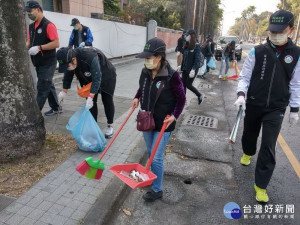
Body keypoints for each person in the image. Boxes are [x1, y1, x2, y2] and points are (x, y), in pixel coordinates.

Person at [234, 9, 300, 203]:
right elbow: (245, 77)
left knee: (269, 145)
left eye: (281, 31)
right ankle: (247, 151)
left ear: (291, 29)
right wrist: (241, 95)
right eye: (273, 31)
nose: (276, 35)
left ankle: (261, 186)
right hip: (254, 103)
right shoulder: (258, 51)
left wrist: (294, 109)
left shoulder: (296, 54)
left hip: (276, 108)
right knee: (249, 136)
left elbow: (296, 83)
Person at [132, 38, 186, 202]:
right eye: (146, 57)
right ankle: (151, 176)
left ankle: (157, 189)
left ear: (160, 57)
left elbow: (182, 99)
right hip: (147, 120)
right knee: (150, 153)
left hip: (164, 123)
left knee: (156, 156)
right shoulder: (145, 72)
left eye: (150, 57)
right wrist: (137, 97)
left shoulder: (172, 76)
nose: (147, 60)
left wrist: (174, 116)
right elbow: (143, 87)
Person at [56, 47, 117, 138]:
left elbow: (97, 78)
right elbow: (68, 75)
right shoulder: (70, 61)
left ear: (73, 59)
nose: (68, 68)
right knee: (91, 104)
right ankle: (93, 126)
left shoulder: (89, 57)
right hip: (87, 78)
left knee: (107, 99)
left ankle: (110, 125)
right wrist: (64, 91)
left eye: (68, 66)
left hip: (106, 75)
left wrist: (91, 95)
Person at [24, 1, 60, 116]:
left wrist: (39, 48)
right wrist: (25, 47)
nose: (29, 14)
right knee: (48, 84)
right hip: (38, 62)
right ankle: (56, 107)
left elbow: (56, 43)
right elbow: (29, 41)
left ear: (38, 9)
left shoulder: (48, 25)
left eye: (30, 11)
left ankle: (34, 115)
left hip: (48, 62)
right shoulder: (31, 26)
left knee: (42, 86)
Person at [180, 29, 204, 104]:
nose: (186, 36)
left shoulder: (196, 46)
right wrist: (180, 66)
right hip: (185, 68)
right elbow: (185, 57)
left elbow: (197, 59)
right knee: (183, 84)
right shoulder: (187, 44)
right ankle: (183, 100)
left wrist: (193, 69)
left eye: (188, 35)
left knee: (188, 85)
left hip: (192, 69)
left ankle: (199, 95)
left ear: (192, 36)